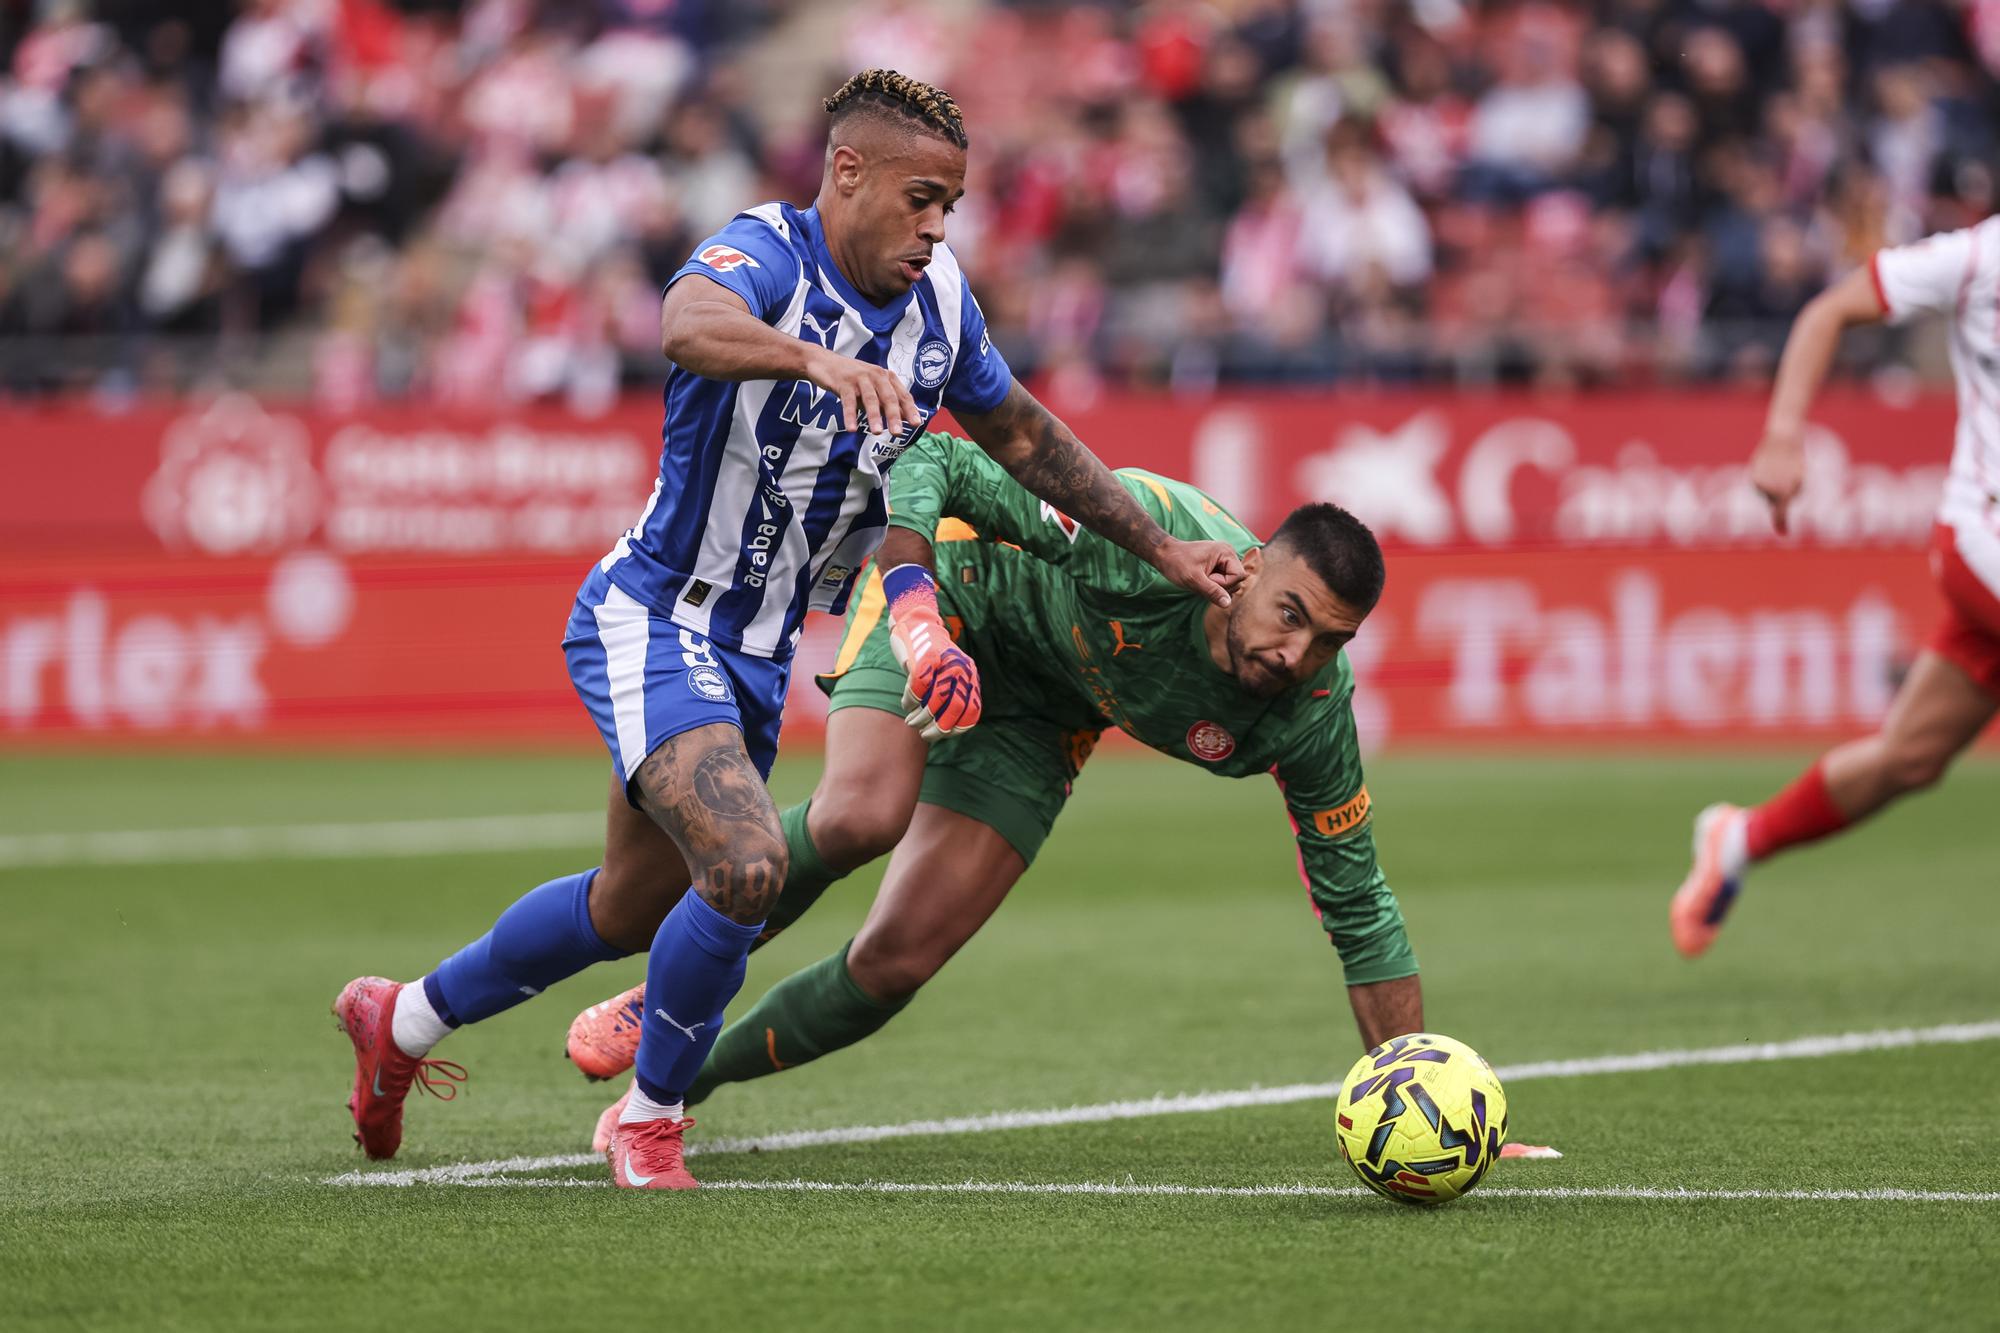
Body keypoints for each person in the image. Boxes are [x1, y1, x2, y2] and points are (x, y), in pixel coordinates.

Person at [331, 69, 1245, 1191]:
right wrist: (812, 355)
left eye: (949, 204)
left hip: (758, 655)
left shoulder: (942, 305)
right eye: (919, 198)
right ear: (845, 173)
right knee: (750, 862)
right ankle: (651, 1120)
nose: (934, 225)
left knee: (630, 906)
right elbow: (684, 322)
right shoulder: (765, 252)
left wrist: (1160, 548)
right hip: (658, 615)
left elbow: (1020, 435)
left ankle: (403, 1021)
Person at [567, 432, 1426, 1138]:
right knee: (862, 815)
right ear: (1245, 566)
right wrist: (912, 597)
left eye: (1328, 640)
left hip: (1047, 712)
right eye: (1290, 614)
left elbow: (1359, 902)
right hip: (958, 603)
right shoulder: (1145, 538)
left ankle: (678, 1085)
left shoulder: (1312, 713)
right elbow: (937, 459)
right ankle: (670, 990)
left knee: (895, 962)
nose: (1297, 654)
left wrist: (1421, 1095)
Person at [1672, 219, 2000, 958]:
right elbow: (1829, 310)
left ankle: (1741, 836)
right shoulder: (1978, 257)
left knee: (1908, 757)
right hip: (1983, 534)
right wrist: (1784, 434)